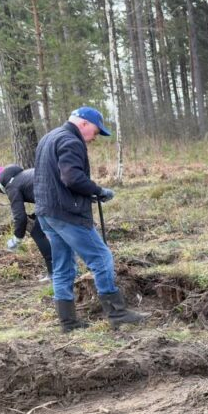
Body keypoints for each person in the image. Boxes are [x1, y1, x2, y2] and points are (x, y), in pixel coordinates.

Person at [34, 106, 147, 332]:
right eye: (96, 131)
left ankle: (68, 322)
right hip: (67, 214)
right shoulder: (70, 141)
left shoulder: (49, 137)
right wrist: (97, 190)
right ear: (84, 124)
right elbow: (71, 177)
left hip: (47, 212)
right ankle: (117, 313)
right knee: (101, 257)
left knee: (63, 265)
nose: (95, 137)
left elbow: (52, 176)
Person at [0, 165, 53, 280]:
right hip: (55, 197)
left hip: (51, 200)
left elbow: (20, 217)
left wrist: (17, 238)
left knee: (37, 232)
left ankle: (54, 271)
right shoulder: (24, 175)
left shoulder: (11, 186)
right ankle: (65, 269)